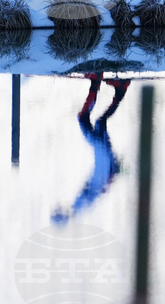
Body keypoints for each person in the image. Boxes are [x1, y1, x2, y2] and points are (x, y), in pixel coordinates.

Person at [51, 73, 131, 224]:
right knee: (83, 118)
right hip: (103, 157)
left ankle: (120, 89)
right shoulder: (79, 207)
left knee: (100, 122)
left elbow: (102, 188)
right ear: (63, 215)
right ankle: (96, 82)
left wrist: (114, 168)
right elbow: (100, 186)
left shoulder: (80, 208)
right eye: (58, 212)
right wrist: (113, 168)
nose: (59, 208)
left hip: (105, 160)